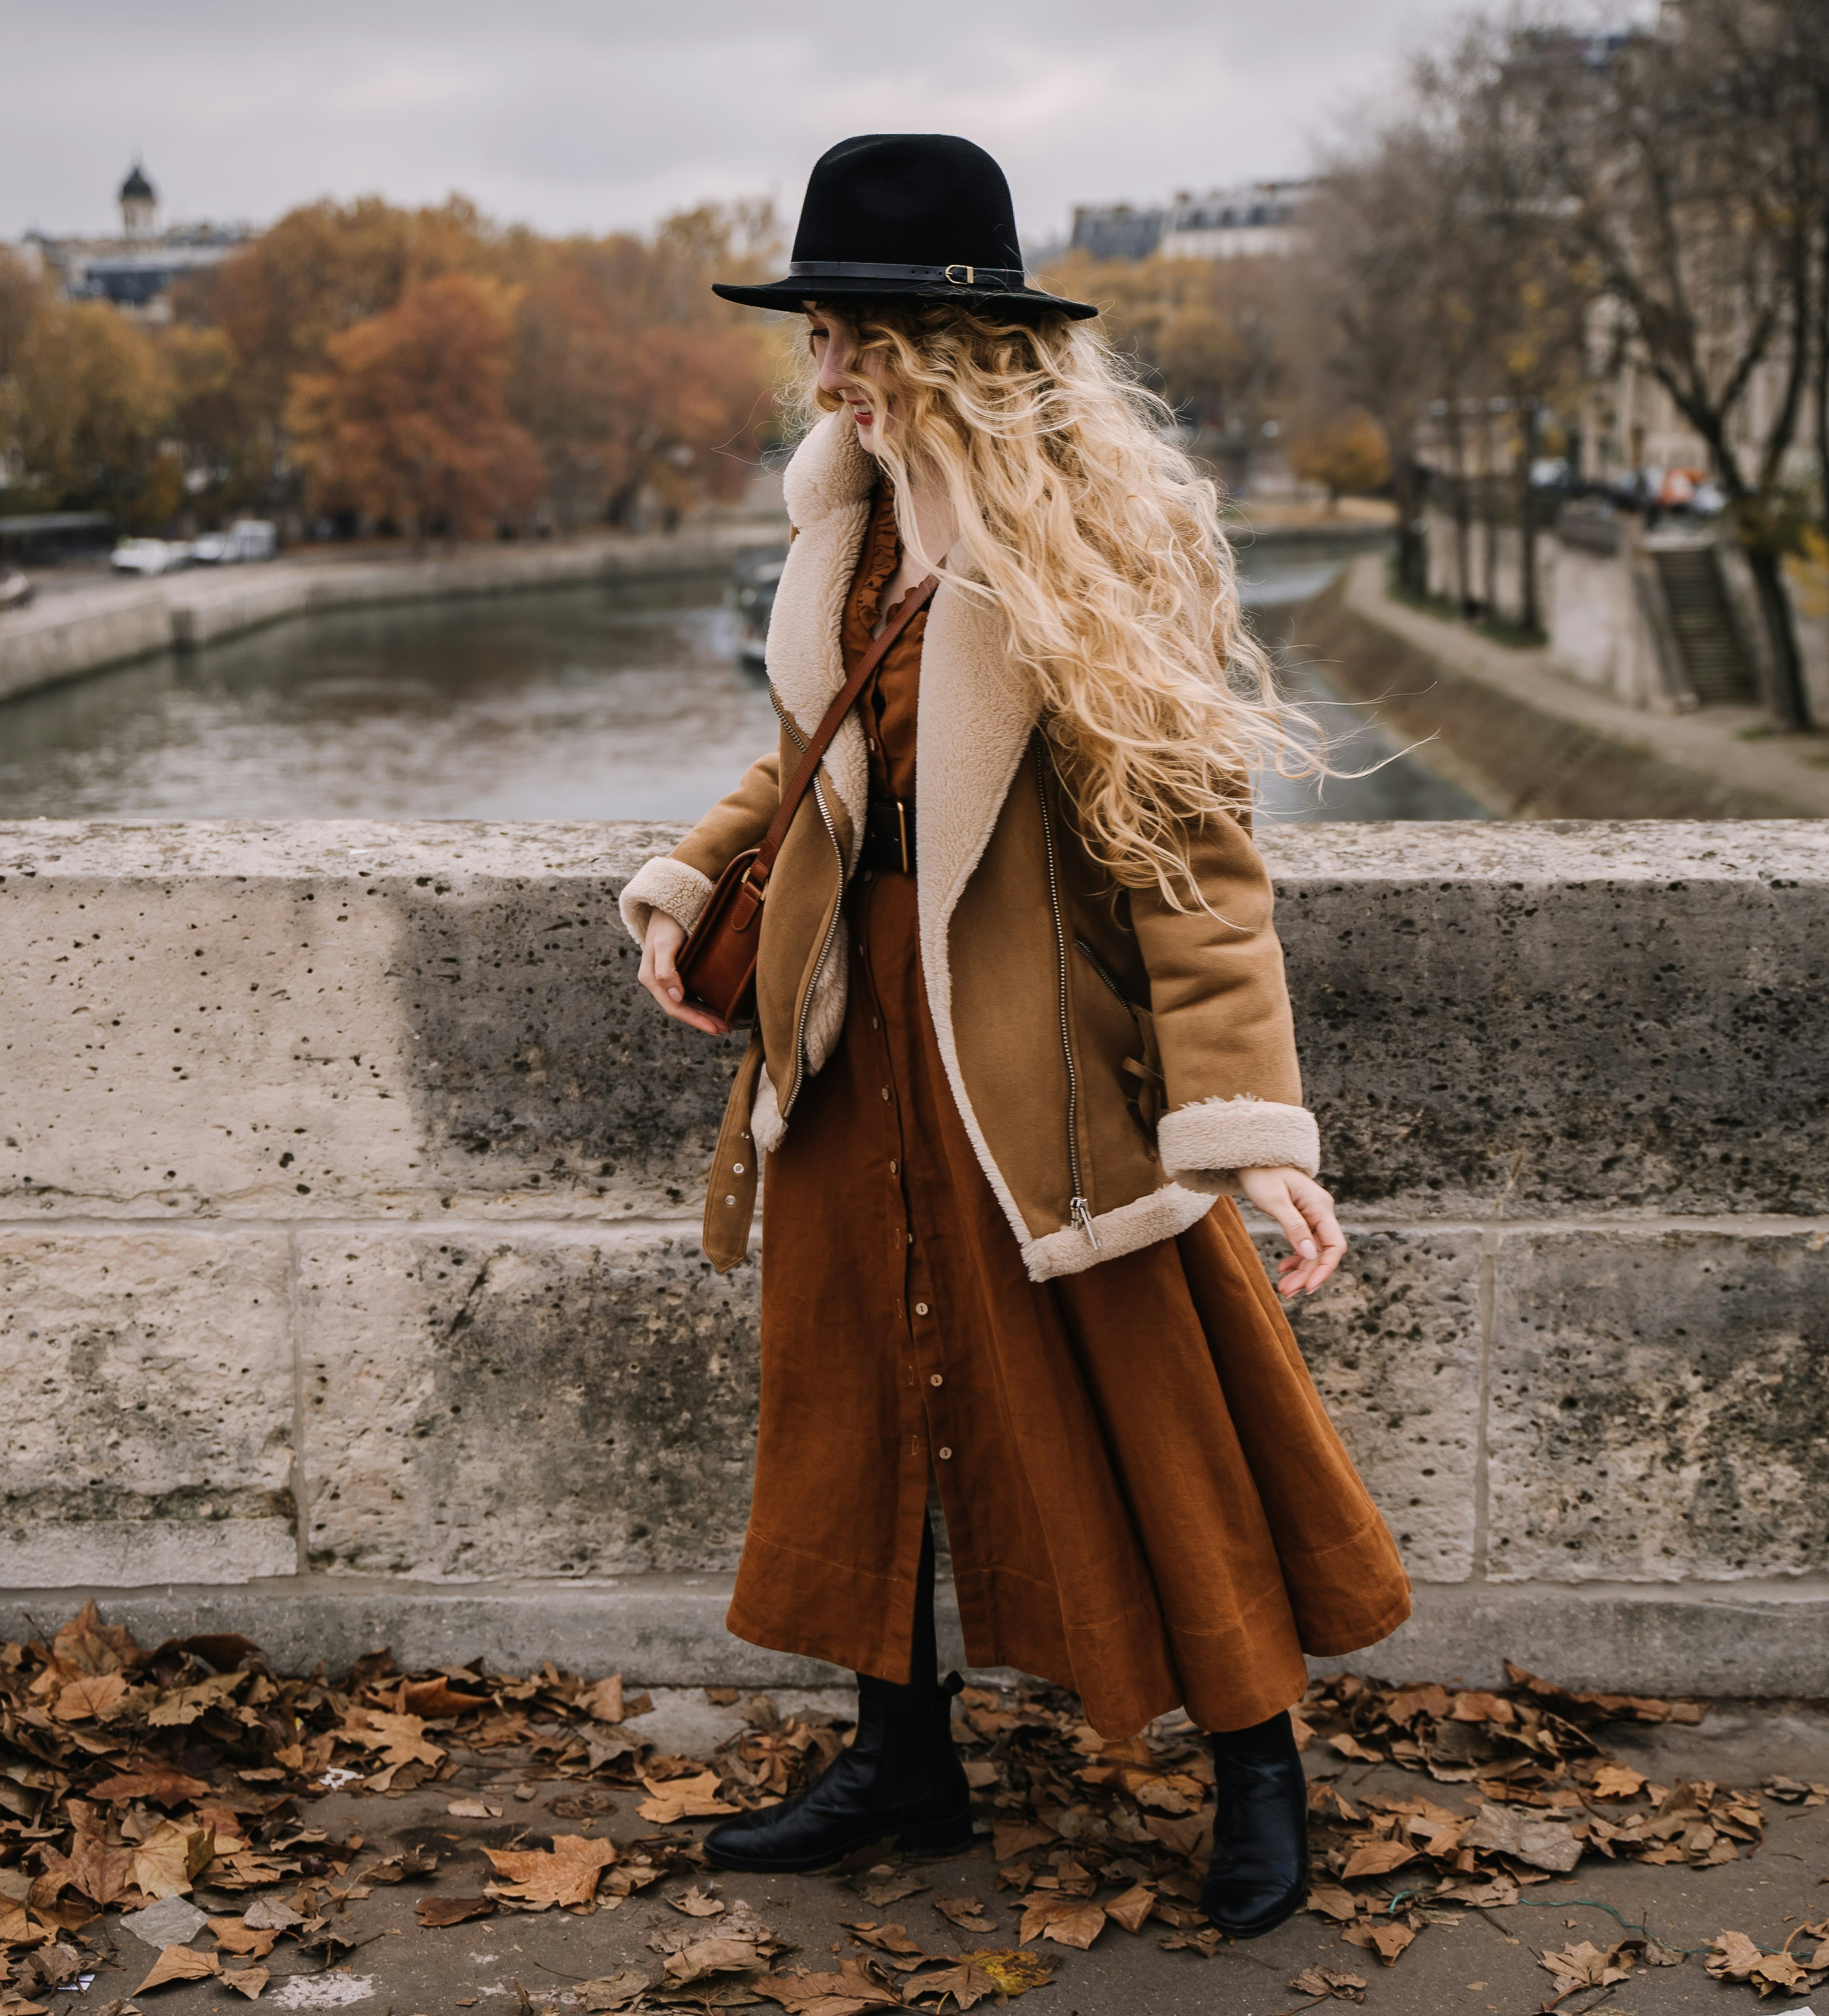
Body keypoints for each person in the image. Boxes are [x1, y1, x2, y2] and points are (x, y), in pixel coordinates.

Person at [620, 133, 1410, 1940]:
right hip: (846, 1028)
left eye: (854, 338)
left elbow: (1199, 862)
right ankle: (902, 1753)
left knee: (1158, 1403)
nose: (823, 377)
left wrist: (1250, 1128)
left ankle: (1257, 1763)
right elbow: (827, 739)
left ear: (955, 343)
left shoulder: (1098, 536)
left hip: (1030, 1047)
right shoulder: (855, 514)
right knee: (857, 1391)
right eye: (817, 337)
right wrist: (695, 871)